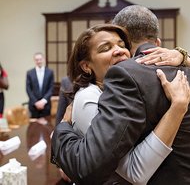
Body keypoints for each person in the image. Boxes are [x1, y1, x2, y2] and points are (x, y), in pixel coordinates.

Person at [51, 22, 190, 184]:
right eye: (105, 48)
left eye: (122, 45)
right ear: (86, 66)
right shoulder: (88, 97)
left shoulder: (125, 92)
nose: (118, 50)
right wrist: (177, 108)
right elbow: (134, 173)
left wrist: (183, 56)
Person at [26, 52, 54, 119]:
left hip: (46, 105)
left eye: (40, 59)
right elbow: (28, 89)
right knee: (33, 127)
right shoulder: (29, 73)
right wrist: (36, 102)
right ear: (34, 60)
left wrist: (43, 101)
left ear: (43, 59)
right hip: (33, 105)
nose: (38, 61)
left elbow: (51, 88)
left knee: (47, 127)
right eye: (36, 60)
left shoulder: (50, 72)